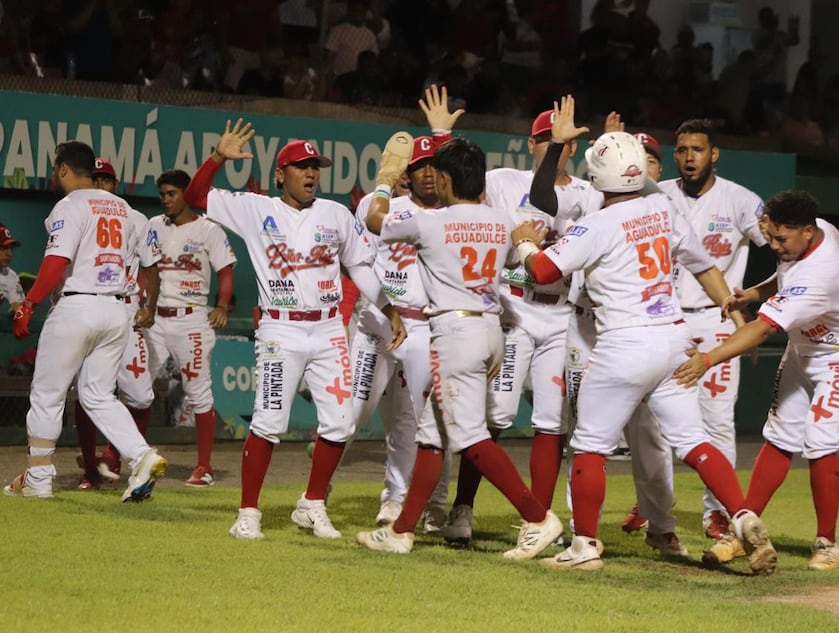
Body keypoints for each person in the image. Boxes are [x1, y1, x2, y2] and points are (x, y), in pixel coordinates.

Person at [513, 129, 775, 574]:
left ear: (598, 173)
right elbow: (705, 266)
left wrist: (523, 241)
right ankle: (743, 515)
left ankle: (584, 546)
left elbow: (541, 269)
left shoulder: (597, 223)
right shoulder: (662, 208)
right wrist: (734, 316)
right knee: (694, 441)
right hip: (673, 338)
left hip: (624, 342)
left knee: (591, 446)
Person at [183, 120, 406, 540]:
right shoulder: (256, 209)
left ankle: (313, 503)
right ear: (280, 174)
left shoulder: (335, 214)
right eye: (301, 166)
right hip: (279, 331)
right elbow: (196, 197)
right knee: (269, 422)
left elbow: (360, 266)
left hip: (327, 331)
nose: (310, 174)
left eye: (314, 167)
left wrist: (389, 308)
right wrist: (217, 157)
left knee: (341, 424)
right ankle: (248, 512)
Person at [354, 130, 563, 559]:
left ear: (446, 182)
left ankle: (537, 517)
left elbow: (374, 219)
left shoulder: (429, 221)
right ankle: (401, 530)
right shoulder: (501, 221)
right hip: (490, 328)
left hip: (454, 332)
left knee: (470, 438)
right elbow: (514, 256)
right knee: (432, 436)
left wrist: (385, 178)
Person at [675, 189, 839, 571]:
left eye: (780, 239)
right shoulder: (820, 230)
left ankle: (827, 543)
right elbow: (786, 276)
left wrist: (709, 358)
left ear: (806, 231)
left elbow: (763, 330)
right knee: (779, 436)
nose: (773, 245)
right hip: (807, 350)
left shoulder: (821, 275)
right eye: (768, 235)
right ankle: (743, 531)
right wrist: (754, 292)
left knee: (819, 439)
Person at [440, 102, 602, 545]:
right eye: (549, 140)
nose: (558, 149)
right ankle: (463, 508)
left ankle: (538, 521)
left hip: (560, 312)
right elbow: (457, 197)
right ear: (532, 144)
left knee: (552, 420)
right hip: (513, 310)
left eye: (565, 143)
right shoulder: (501, 182)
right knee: (496, 414)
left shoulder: (588, 194)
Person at [528, 100, 684, 557]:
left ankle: (663, 525)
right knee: (587, 434)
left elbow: (648, 189)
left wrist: (625, 148)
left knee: (650, 435)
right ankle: (583, 529)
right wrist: (558, 144)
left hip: (639, 324)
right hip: (588, 326)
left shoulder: (652, 206)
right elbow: (541, 199)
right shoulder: (582, 196)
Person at [5, 141, 166, 502]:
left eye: (54, 168)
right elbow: (144, 265)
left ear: (63, 169)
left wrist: (28, 303)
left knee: (47, 394)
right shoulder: (124, 208)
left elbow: (56, 260)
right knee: (97, 395)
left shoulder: (70, 205)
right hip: (115, 311)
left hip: (77, 306)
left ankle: (39, 478)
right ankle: (142, 455)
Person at [658, 118, 768, 541]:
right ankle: (654, 508)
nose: (689, 158)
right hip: (666, 319)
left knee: (718, 420)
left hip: (717, 318)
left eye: (697, 150)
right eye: (682, 150)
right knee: (655, 425)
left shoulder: (739, 200)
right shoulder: (659, 194)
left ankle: (718, 512)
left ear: (714, 153)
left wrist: (750, 311)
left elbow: (778, 246)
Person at [351, 100, 454, 531]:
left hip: (427, 327)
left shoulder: (454, 215)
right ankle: (315, 495)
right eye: (419, 165)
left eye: (434, 165)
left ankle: (409, 500)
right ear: (405, 173)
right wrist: (385, 308)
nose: (427, 172)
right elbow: (358, 263)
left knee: (420, 423)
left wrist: (444, 135)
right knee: (352, 414)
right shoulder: (377, 210)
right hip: (376, 323)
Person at [140, 169, 238, 486]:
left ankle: (205, 467)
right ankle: (120, 457)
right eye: (162, 194)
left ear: (187, 194)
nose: (166, 199)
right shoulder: (153, 226)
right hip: (155, 318)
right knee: (136, 387)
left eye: (172, 193)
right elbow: (145, 269)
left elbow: (225, 270)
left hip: (192, 316)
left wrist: (222, 305)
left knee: (198, 393)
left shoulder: (208, 229)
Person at [73, 158, 161, 490]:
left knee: (140, 396)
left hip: (125, 310)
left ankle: (115, 454)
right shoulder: (76, 213)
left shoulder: (136, 218)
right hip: (85, 308)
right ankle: (91, 472)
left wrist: (150, 304)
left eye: (105, 179)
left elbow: (151, 266)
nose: (100, 185)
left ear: (115, 183)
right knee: (86, 394)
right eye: (94, 179)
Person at [0, 223, 24, 314]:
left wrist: (20, 311)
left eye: (11, 249)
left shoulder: (11, 276)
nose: (9, 254)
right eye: (4, 248)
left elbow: (17, 306)